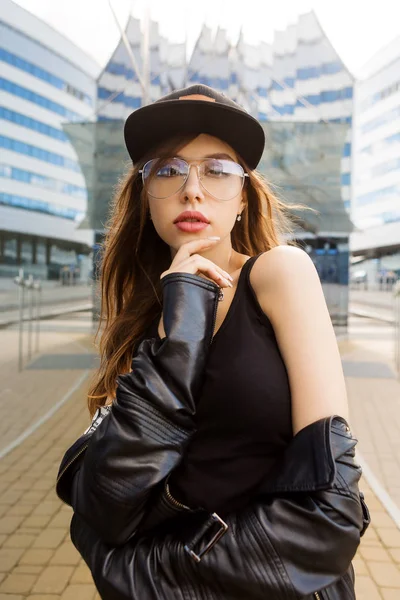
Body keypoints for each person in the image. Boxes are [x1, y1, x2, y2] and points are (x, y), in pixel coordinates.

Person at [56, 84, 370, 599]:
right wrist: (181, 328)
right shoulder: (144, 321)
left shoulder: (279, 275)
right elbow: (106, 503)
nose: (192, 189)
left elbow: (330, 511)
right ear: (146, 194)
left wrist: (139, 576)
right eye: (168, 169)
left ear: (243, 197)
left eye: (218, 170)